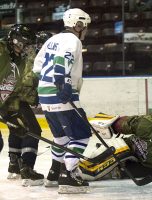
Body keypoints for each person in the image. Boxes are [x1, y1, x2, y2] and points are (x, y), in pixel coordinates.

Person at [33, 8, 92, 194]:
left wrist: (46, 85)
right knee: (82, 134)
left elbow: (37, 66)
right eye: (85, 26)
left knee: (61, 137)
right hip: (61, 92)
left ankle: (53, 173)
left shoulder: (52, 39)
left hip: (45, 93)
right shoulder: (71, 40)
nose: (86, 30)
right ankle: (68, 175)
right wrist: (62, 82)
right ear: (78, 24)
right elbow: (63, 60)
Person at [79, 112, 152, 182]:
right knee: (117, 148)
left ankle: (91, 174)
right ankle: (83, 167)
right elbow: (127, 123)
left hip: (147, 166)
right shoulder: (146, 124)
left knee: (118, 172)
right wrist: (111, 126)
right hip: (130, 147)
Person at [0, 24, 44, 186]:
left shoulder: (17, 58)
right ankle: (26, 168)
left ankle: (18, 166)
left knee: (22, 129)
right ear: (16, 41)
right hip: (8, 102)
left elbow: (15, 85)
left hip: (8, 102)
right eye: (26, 44)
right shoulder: (2, 49)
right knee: (32, 130)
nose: (28, 48)